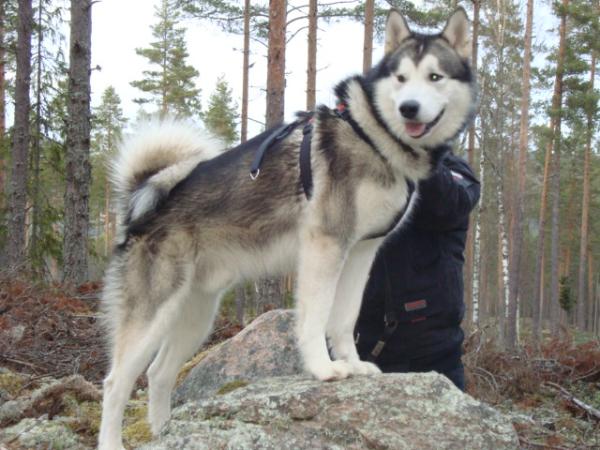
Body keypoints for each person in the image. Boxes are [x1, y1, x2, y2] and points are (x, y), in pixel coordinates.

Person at [355, 152, 480, 391]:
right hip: (357, 351)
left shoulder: (455, 172)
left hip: (431, 357)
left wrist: (408, 146)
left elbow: (446, 205)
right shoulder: (359, 167)